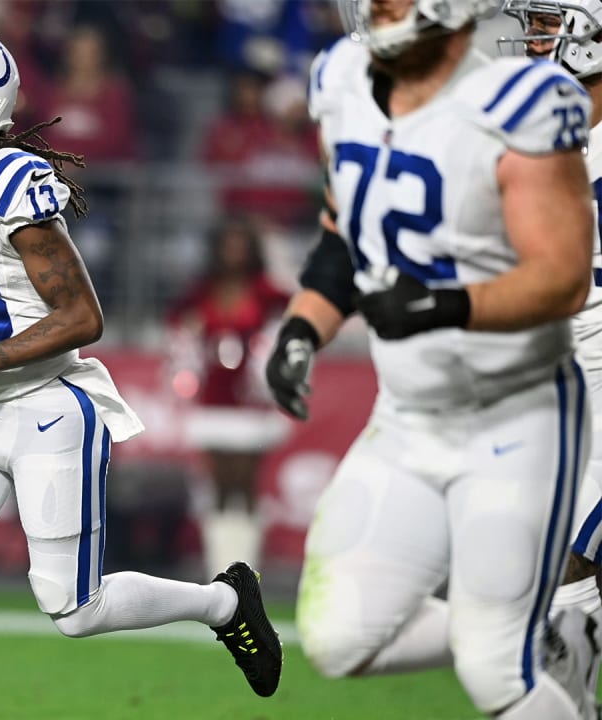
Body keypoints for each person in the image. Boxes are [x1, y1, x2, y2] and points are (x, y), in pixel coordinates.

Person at [0, 26, 283, 720]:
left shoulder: (10, 181)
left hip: (45, 406)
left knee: (75, 610)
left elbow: (80, 316)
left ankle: (223, 602)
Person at [263, 1, 595, 717]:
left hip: (522, 405)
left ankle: (531, 647)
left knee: (501, 665)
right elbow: (342, 231)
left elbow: (562, 276)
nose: (375, 8)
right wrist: (303, 328)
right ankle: (544, 635)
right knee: (339, 638)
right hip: (410, 413)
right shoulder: (345, 79)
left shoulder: (523, 107)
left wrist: (447, 304)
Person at [503, 1, 602, 714]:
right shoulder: (538, 137)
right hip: (566, 388)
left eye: (546, 23)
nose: (532, 38)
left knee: (561, 565)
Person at [167, 219, 291, 580]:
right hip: (212, 399)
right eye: (227, 245)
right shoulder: (202, 291)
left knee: (246, 480)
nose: (233, 253)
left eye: (240, 245)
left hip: (251, 401)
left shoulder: (268, 292)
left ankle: (247, 567)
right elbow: (178, 323)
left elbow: (292, 320)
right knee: (218, 483)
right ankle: (220, 568)